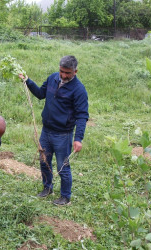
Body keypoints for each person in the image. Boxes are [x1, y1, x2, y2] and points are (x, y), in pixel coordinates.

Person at [18, 55, 89, 206]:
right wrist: (27, 80)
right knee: (44, 161)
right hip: (46, 131)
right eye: (61, 71)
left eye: (68, 73)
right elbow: (40, 94)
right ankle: (47, 188)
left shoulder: (79, 90)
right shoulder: (52, 78)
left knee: (62, 166)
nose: (63, 75)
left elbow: (82, 116)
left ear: (75, 71)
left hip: (63, 134)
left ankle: (65, 196)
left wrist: (78, 138)